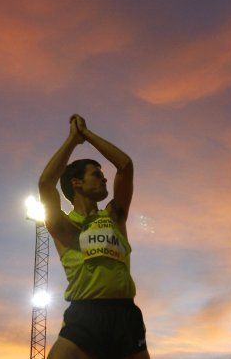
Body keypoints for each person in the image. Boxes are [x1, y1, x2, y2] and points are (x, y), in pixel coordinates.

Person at [38, 114, 150, 359]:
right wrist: (72, 140)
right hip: (85, 314)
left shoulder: (114, 217)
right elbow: (46, 183)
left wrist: (87, 135)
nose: (104, 178)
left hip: (125, 313)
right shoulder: (64, 225)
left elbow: (125, 166)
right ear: (76, 183)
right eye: (96, 175)